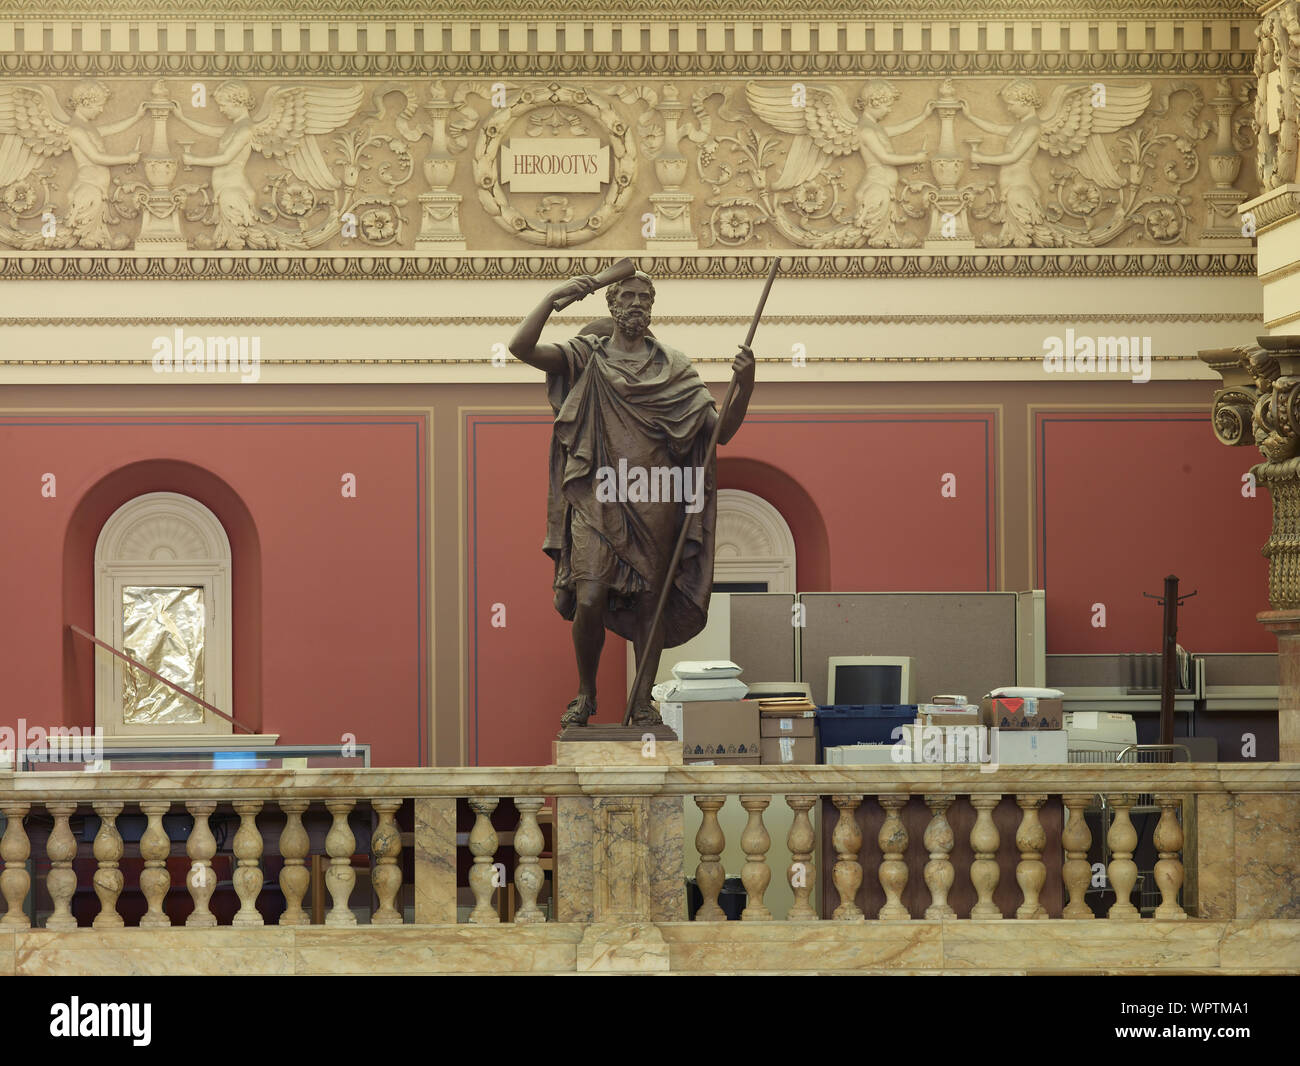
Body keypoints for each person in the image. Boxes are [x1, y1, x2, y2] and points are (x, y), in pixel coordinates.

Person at [509, 270, 755, 727]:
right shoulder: (586, 357)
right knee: (590, 596)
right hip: (598, 494)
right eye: (628, 295)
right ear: (612, 303)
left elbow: (721, 431)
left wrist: (745, 385)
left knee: (649, 603)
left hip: (654, 498)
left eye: (645, 296)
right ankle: (586, 693)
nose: (637, 302)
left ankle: (642, 702)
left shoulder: (674, 367)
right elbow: (521, 349)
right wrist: (552, 298)